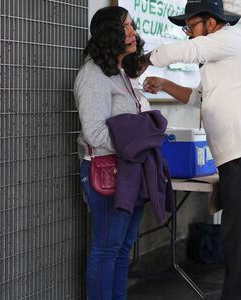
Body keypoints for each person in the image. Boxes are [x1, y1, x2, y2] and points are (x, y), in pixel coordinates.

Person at [140, 1, 241, 298]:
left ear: (211, 24)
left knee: (237, 233)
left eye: (191, 27)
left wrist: (144, 59)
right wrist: (165, 83)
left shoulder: (228, 39)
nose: (189, 34)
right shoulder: (220, 58)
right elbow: (195, 97)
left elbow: (187, 51)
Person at [74, 6, 151, 299]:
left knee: (122, 247)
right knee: (107, 248)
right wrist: (139, 140)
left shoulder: (123, 73)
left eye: (132, 26)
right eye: (125, 27)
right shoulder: (93, 75)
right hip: (106, 169)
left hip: (131, 170)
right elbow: (94, 134)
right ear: (110, 35)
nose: (133, 32)